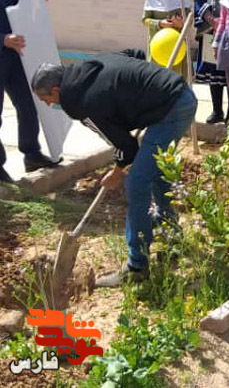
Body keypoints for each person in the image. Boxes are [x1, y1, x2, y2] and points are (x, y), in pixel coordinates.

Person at [30, 55, 197, 286]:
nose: (48, 105)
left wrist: (116, 173)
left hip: (172, 109)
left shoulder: (82, 104)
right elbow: (133, 53)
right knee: (156, 169)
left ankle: (137, 267)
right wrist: (138, 92)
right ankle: (171, 232)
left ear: (56, 90)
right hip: (174, 96)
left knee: (136, 183)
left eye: (46, 99)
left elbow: (127, 147)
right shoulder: (87, 68)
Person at [0, 0, 61, 183]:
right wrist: (2, 39)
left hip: (13, 54)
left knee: (28, 104)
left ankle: (32, 154)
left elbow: (12, 2)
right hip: (4, 47)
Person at [142, 0, 190, 76]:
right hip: (158, 47)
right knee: (157, 78)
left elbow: (189, 19)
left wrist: (181, 24)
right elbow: (145, 20)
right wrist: (159, 23)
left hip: (177, 46)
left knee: (176, 78)